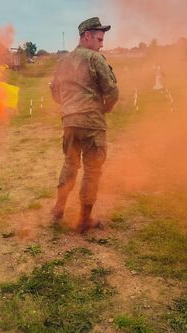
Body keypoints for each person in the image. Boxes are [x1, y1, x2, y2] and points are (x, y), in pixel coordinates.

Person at [50, 17, 119, 233]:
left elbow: (55, 93)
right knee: (92, 170)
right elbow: (112, 91)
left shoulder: (63, 62)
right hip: (91, 122)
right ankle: (84, 220)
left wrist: (69, 106)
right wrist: (105, 108)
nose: (101, 43)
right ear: (86, 36)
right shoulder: (94, 59)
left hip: (69, 121)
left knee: (70, 164)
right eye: (99, 39)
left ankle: (58, 208)